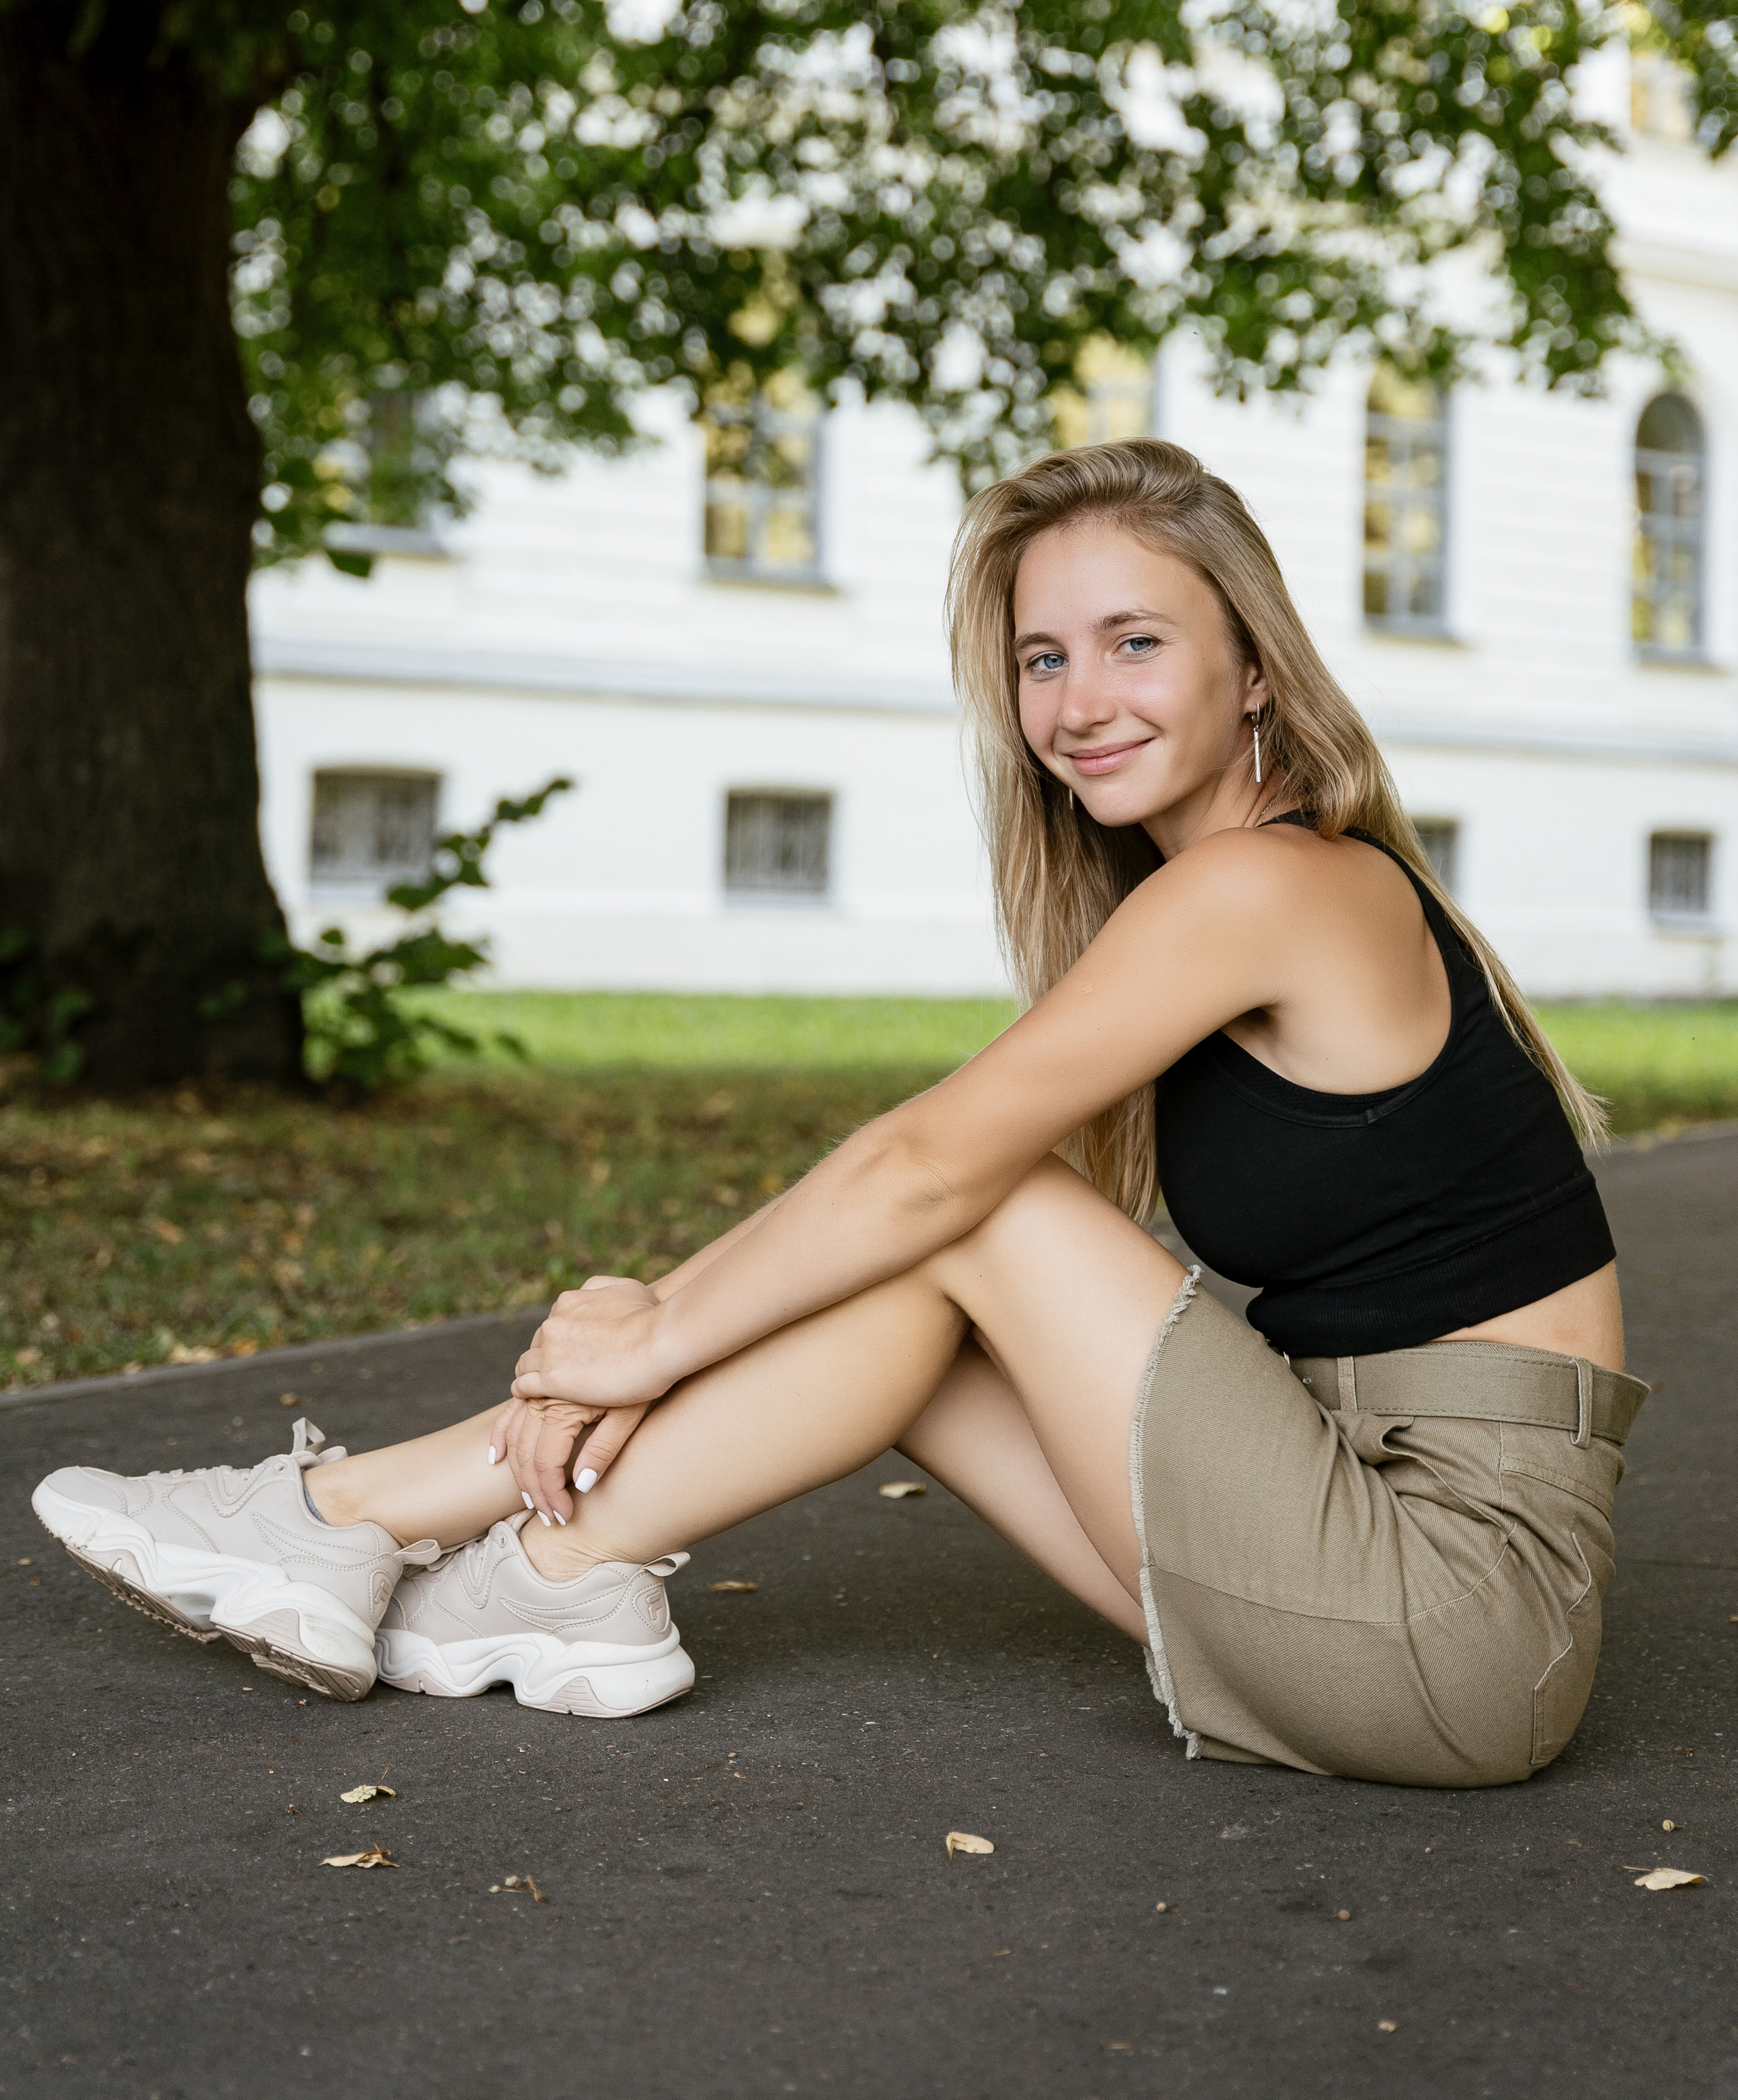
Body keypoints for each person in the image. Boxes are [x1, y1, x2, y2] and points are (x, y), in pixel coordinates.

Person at [34, 439, 1646, 1782]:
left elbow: (934, 1166)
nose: (1077, 697)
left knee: (988, 1202)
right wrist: (651, 1325)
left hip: (1454, 1606)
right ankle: (550, 1581)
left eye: (1134, 641)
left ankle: (353, 1513)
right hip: (1353, 1546)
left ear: (1251, 671)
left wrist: (643, 1332)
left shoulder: (1279, 886)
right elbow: (903, 1216)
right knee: (924, 1288)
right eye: (1040, 655)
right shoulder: (1203, 905)